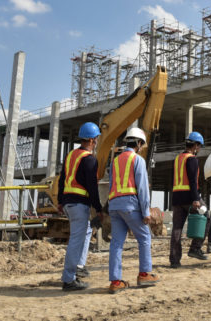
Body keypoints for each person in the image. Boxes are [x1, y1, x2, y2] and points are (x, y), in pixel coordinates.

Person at [107, 127, 159, 294]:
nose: (142, 147)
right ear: (138, 143)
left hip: (114, 204)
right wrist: (145, 212)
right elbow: (142, 189)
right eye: (142, 145)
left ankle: (115, 282)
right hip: (130, 204)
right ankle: (144, 274)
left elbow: (110, 185)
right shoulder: (137, 160)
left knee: (116, 244)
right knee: (144, 237)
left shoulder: (114, 161)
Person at [58, 122, 103, 291]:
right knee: (76, 241)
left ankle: (78, 267)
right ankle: (69, 279)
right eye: (97, 138)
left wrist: (60, 201)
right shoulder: (89, 159)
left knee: (85, 233)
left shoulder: (71, 155)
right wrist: (98, 209)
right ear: (92, 140)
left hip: (69, 203)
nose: (97, 141)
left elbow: (62, 179)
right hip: (78, 204)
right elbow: (92, 186)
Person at [169, 131, 208, 267]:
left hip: (176, 197)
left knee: (177, 229)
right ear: (195, 145)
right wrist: (196, 199)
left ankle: (174, 261)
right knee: (206, 217)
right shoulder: (192, 159)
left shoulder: (178, 158)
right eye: (199, 146)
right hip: (189, 197)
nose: (199, 149)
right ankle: (195, 248)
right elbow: (192, 181)